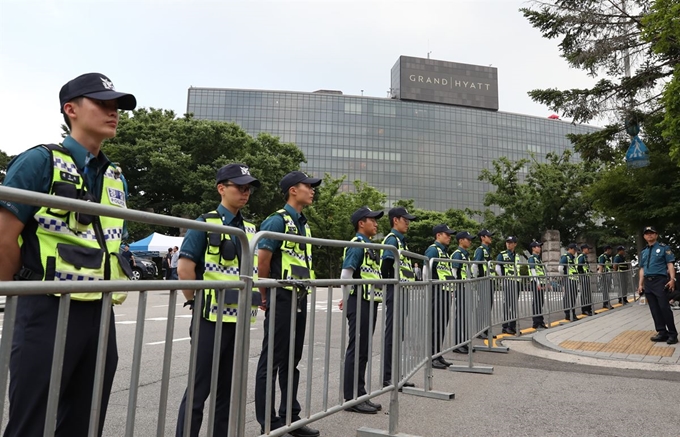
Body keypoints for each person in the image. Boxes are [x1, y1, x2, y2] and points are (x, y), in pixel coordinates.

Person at [0, 72, 135, 437]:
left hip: (99, 309)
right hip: (45, 305)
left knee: (86, 421)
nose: (114, 112)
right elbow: (3, 238)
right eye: (103, 104)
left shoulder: (115, 177)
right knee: (32, 421)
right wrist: (20, 294)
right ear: (70, 109)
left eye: (117, 106)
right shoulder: (38, 161)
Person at [175, 163, 261, 436]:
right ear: (221, 188)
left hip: (239, 320)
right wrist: (195, 302)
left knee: (228, 389)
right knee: (199, 390)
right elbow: (185, 269)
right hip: (209, 319)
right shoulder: (204, 223)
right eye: (240, 187)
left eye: (248, 188)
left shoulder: (251, 228)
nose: (245, 193)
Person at [254, 171, 321, 437]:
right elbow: (263, 261)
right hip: (281, 297)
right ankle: (267, 422)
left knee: (292, 359)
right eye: (308, 186)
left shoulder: (304, 225)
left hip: (299, 297)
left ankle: (290, 417)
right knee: (271, 360)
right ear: (293, 190)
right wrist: (265, 294)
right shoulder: (277, 220)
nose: (312, 190)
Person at [338, 206, 384, 414]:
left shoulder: (369, 245)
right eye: (371, 220)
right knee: (357, 349)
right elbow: (346, 274)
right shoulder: (357, 244)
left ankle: (360, 392)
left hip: (369, 301)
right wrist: (346, 299)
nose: (376, 223)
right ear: (361, 223)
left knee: (363, 349)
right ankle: (351, 398)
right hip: (359, 302)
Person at [380, 206, 417, 389]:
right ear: (395, 220)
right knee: (393, 333)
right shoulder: (392, 240)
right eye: (405, 219)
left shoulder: (402, 242)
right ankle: (389, 376)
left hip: (403, 290)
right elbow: (385, 267)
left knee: (398, 333)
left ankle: (395, 374)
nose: (408, 223)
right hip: (395, 291)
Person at [637, 226, 677, 345]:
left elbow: (670, 265)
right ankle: (661, 332)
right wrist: (640, 284)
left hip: (660, 281)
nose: (649, 235)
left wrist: (672, 279)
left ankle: (673, 334)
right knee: (654, 309)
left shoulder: (664, 248)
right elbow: (642, 269)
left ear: (656, 235)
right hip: (648, 283)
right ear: (644, 236)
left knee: (664, 308)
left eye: (652, 233)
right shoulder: (644, 252)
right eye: (647, 233)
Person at [424, 224, 456, 368]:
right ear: (438, 235)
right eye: (446, 234)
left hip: (445, 291)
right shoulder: (433, 250)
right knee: (435, 325)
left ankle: (438, 354)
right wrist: (428, 289)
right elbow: (426, 270)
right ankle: (431, 357)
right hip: (436, 291)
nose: (449, 237)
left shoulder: (444, 252)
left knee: (442, 325)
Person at [451, 231, 475, 352]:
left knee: (465, 316)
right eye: (468, 239)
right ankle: (458, 344)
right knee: (460, 316)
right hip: (460, 287)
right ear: (461, 240)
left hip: (465, 287)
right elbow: (454, 272)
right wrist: (454, 288)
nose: (470, 241)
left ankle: (464, 342)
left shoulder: (465, 254)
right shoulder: (457, 254)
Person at [472, 229, 494, 337]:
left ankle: (485, 329)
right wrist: (475, 280)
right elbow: (475, 265)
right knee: (483, 306)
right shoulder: (480, 250)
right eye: (488, 236)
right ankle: (480, 330)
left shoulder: (487, 250)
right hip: (482, 281)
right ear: (482, 238)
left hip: (488, 281)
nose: (490, 238)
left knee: (488, 305)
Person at [496, 236, 520, 335]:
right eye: (507, 242)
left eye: (511, 242)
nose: (508, 244)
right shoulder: (502, 255)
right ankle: (505, 326)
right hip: (508, 281)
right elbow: (497, 268)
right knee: (508, 304)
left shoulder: (517, 255)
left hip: (516, 282)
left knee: (514, 305)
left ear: (515, 244)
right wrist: (504, 278)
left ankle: (513, 326)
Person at [528, 241, 548, 329]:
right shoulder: (532, 258)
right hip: (536, 282)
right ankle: (536, 322)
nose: (539, 248)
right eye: (537, 246)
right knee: (537, 302)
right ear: (533, 248)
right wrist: (538, 283)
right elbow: (533, 270)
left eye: (540, 246)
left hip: (541, 282)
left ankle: (540, 321)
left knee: (540, 302)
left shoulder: (539, 259)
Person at [560, 243, 579, 321]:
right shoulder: (565, 257)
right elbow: (560, 268)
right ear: (570, 249)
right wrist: (564, 276)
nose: (575, 251)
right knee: (569, 297)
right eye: (574, 250)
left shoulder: (573, 258)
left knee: (573, 297)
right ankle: (568, 314)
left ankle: (572, 314)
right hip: (569, 280)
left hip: (574, 280)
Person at [577, 244, 593, 316]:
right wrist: (582, 273)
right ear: (584, 249)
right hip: (583, 276)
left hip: (586, 276)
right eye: (588, 249)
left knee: (588, 293)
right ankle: (584, 309)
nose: (589, 250)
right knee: (584, 293)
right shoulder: (581, 257)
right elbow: (579, 266)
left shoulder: (585, 257)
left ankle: (589, 309)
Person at [597, 245, 614, 310]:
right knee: (605, 289)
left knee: (607, 289)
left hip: (608, 274)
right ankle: (606, 303)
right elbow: (601, 265)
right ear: (607, 250)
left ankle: (606, 303)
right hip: (605, 274)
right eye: (610, 249)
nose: (611, 251)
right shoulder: (602, 256)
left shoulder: (608, 257)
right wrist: (600, 274)